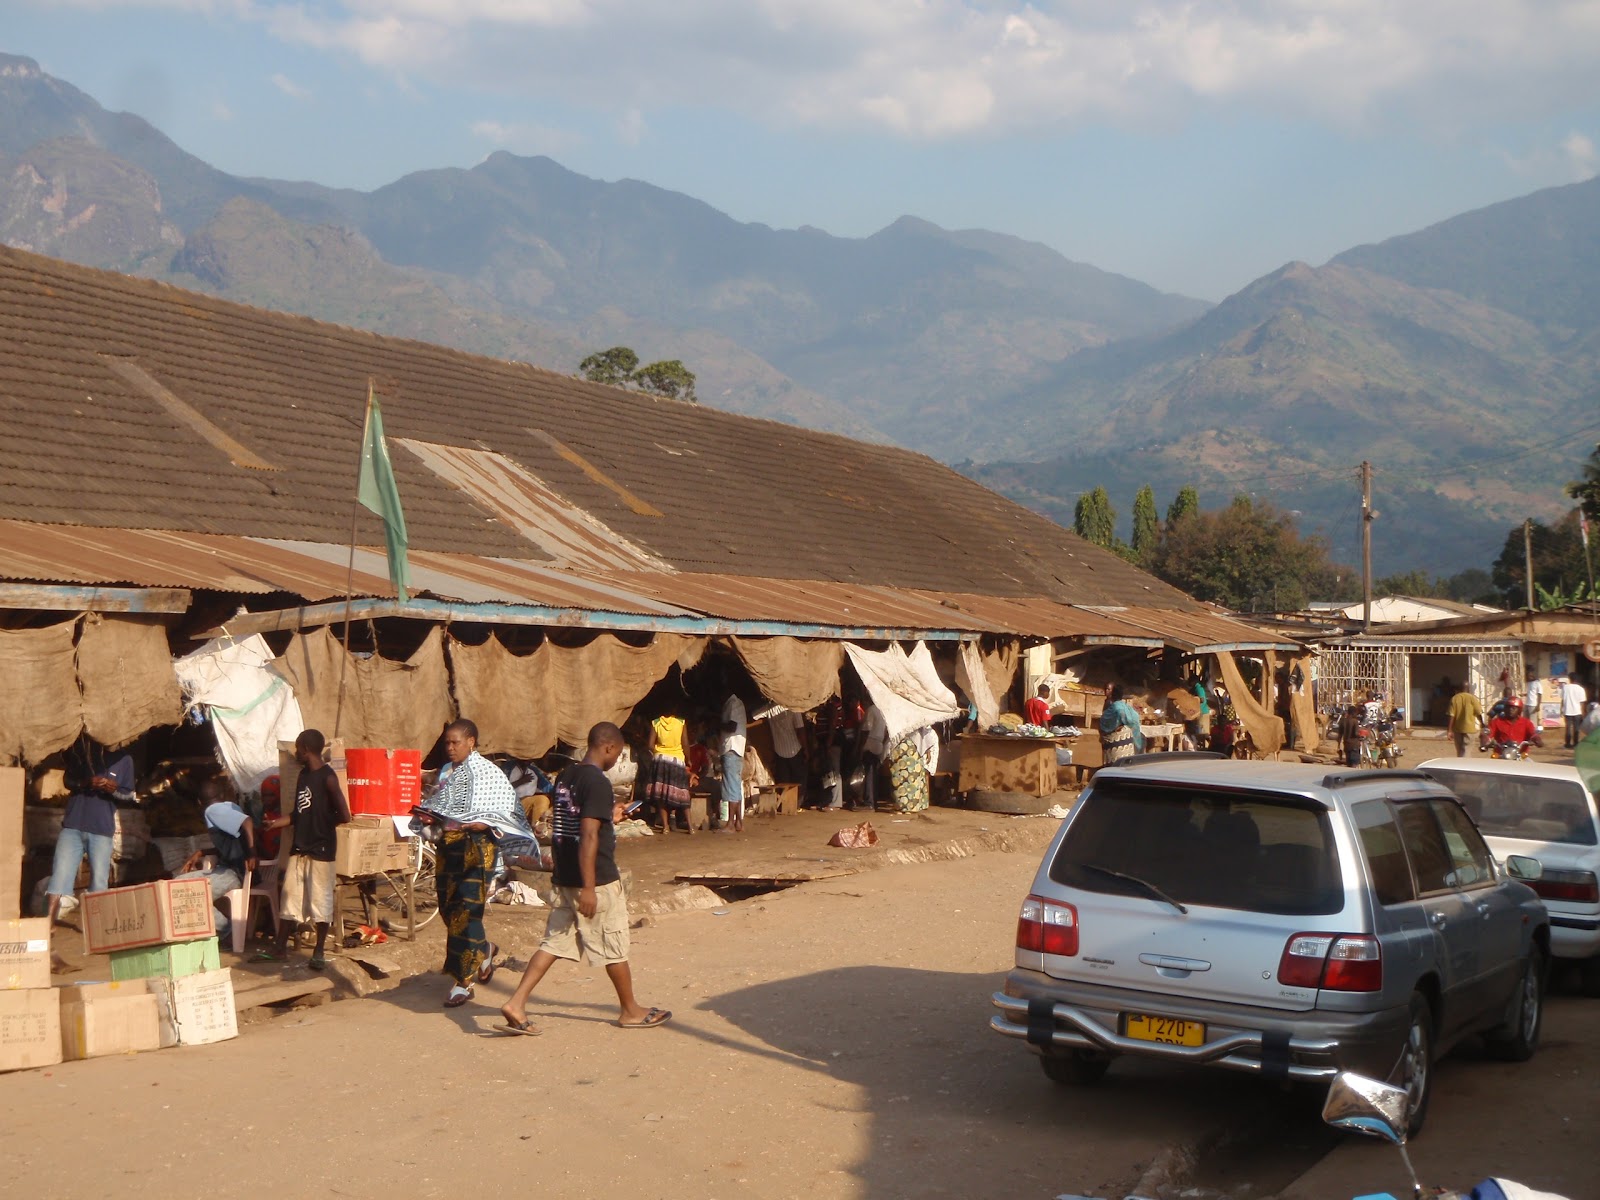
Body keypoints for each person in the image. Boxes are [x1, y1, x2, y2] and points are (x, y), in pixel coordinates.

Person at [498, 723, 670, 1035]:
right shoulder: (597, 782)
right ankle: (630, 1010)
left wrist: (611, 813)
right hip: (595, 880)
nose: (617, 759)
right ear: (608, 747)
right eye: (617, 753)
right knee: (613, 945)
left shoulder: (568, 776)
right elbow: (588, 835)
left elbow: (573, 823)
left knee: (553, 943)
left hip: (565, 876)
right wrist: (590, 888)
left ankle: (516, 1002)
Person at [415, 719, 531, 1007]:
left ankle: (463, 981)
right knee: (447, 907)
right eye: (447, 743)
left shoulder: (488, 773)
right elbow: (438, 803)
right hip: (447, 845)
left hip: (477, 847)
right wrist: (429, 815)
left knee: (466, 913)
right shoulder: (446, 772)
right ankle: (485, 950)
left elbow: (508, 811)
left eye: (455, 742)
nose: (450, 748)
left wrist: (484, 822)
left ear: (471, 742)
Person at [262, 729, 349, 970]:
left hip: (321, 850)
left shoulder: (328, 778)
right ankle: (280, 948)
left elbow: (345, 815)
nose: (296, 753)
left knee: (321, 902)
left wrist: (320, 824)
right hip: (300, 848)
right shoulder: (303, 776)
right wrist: (276, 823)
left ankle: (319, 951)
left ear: (305, 749)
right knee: (289, 898)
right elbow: (300, 814)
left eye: (298, 748)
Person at [46, 738, 135, 935]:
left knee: (99, 882)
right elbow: (68, 781)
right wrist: (86, 783)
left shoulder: (125, 759)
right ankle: (48, 925)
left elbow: (129, 795)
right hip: (73, 825)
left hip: (102, 829)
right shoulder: (84, 752)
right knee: (60, 874)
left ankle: (96, 929)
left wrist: (113, 790)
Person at [175, 779, 258, 942]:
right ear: (221, 795)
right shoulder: (231, 807)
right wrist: (201, 852)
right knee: (176, 883)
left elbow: (247, 822)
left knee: (182, 892)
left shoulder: (211, 811)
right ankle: (223, 928)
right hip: (230, 870)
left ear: (199, 802)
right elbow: (233, 843)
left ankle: (226, 928)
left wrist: (253, 853)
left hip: (233, 873)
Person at [643, 710, 693, 834]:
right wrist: (688, 759)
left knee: (661, 795)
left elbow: (649, 744)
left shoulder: (656, 722)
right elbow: (685, 743)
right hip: (677, 760)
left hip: (660, 760)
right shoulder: (680, 722)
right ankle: (691, 827)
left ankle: (665, 827)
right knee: (682, 793)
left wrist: (659, 751)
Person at [755, 703, 808, 790]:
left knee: (783, 785)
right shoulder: (794, 707)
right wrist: (806, 749)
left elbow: (753, 716)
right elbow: (800, 730)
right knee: (799, 783)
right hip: (795, 750)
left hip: (779, 752)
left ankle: (784, 802)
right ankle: (797, 802)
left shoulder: (769, 708)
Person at [718, 688, 747, 832]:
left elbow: (732, 726)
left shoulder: (732, 704)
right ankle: (738, 823)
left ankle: (730, 823)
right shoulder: (737, 703)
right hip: (735, 750)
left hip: (731, 749)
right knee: (735, 787)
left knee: (731, 788)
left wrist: (716, 725)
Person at [886, 728, 931, 813]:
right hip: (912, 749)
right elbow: (924, 735)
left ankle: (901, 806)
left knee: (900, 779)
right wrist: (927, 751)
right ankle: (910, 807)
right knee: (912, 778)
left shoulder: (896, 718)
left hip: (900, 748)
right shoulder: (917, 719)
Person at [1099, 684, 1146, 764]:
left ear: (1112, 694)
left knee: (1116, 766)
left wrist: (1119, 726)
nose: (1107, 691)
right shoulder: (1124, 706)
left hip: (1117, 743)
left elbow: (1120, 717)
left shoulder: (1116, 707)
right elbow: (1133, 717)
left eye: (1109, 690)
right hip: (1129, 742)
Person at [856, 701, 888, 810]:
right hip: (879, 743)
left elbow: (866, 729)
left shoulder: (871, 710)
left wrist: (860, 747)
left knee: (869, 773)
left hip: (870, 743)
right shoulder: (884, 710)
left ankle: (869, 802)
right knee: (874, 774)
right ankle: (873, 801)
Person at [1447, 681, 1482, 758]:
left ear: (1459, 689)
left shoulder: (1454, 699)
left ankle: (1460, 765)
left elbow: (1451, 715)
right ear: (1469, 689)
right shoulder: (1473, 698)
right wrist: (1482, 724)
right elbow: (1478, 713)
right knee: (1467, 750)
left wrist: (1449, 730)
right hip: (1470, 729)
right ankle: (1464, 766)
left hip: (1457, 729)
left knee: (1459, 751)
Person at [1559, 676, 1589, 749]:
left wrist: (1561, 709)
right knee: (1576, 728)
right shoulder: (1580, 689)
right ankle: (1576, 743)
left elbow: (1563, 700)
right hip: (1577, 711)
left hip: (1567, 710)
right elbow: (1582, 703)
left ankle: (1568, 744)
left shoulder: (1565, 688)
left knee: (1568, 728)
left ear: (1570, 679)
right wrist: (1583, 713)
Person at [1336, 704, 1365, 768]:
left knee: (1348, 764)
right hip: (1354, 745)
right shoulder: (1355, 721)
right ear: (1354, 713)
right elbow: (1355, 733)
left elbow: (1339, 735)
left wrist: (1338, 746)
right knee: (1354, 764)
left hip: (1346, 746)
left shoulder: (1343, 721)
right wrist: (1361, 736)